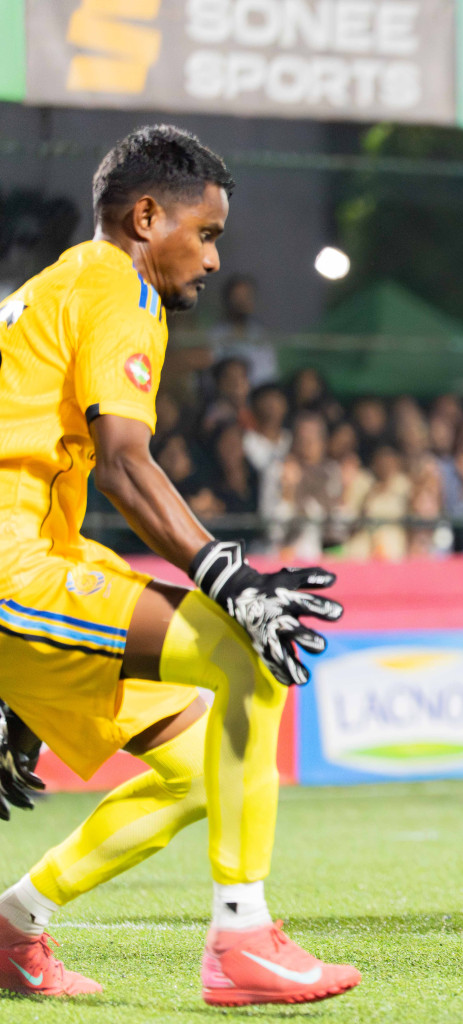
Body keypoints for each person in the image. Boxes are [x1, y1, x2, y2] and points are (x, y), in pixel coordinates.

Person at [0, 125, 357, 1004]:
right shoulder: (117, 286)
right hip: (17, 567)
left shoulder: (56, 286)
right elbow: (125, 464)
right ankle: (242, 941)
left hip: (36, 560)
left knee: (201, 769)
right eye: (205, 233)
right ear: (146, 217)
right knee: (250, 652)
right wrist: (227, 577)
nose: (212, 258)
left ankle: (12, 926)